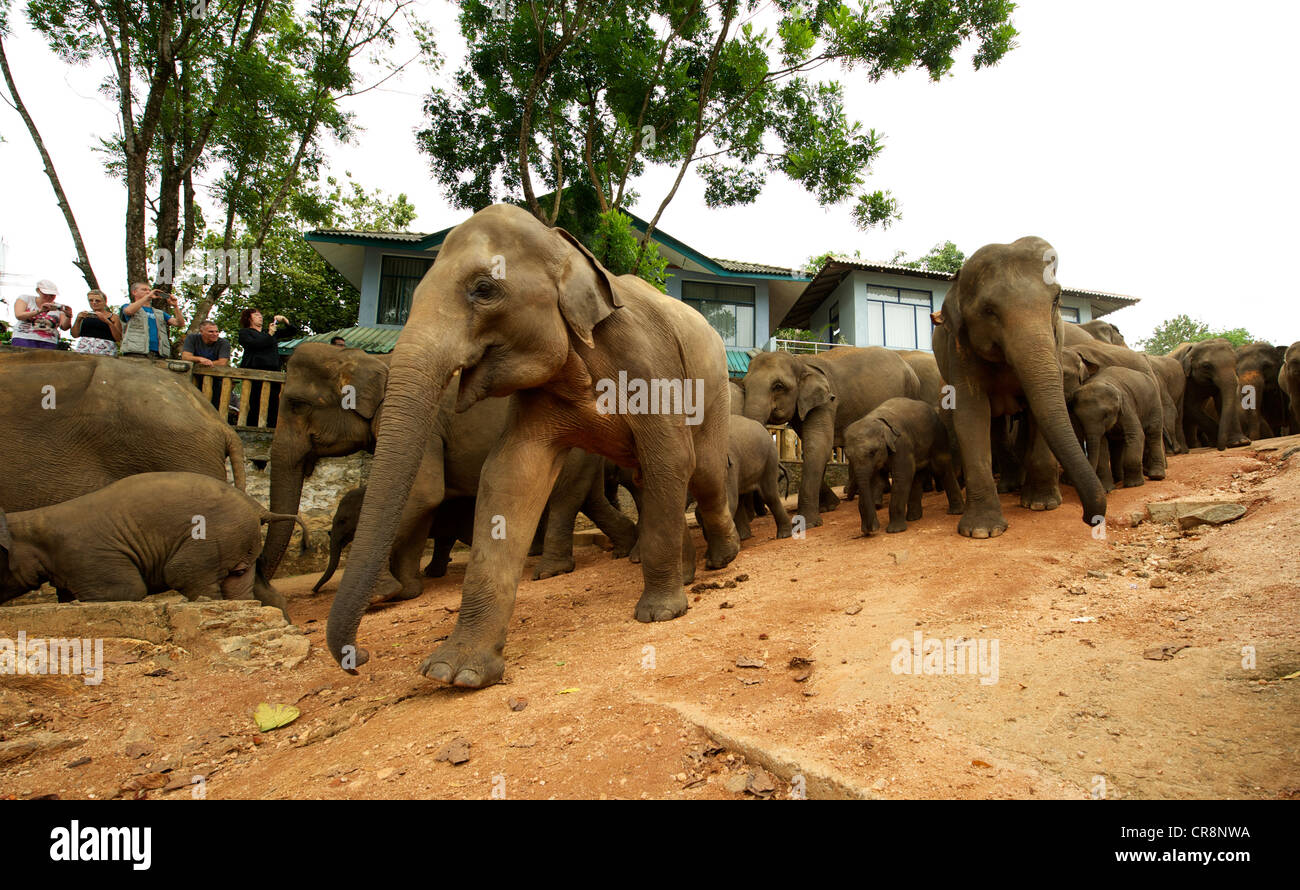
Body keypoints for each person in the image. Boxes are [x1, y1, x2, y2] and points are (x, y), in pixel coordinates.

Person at [238, 309, 298, 427]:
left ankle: (272, 428)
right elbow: (256, 345)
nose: (260, 317)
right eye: (256, 315)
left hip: (273, 372)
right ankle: (252, 428)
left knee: (274, 403)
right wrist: (270, 334)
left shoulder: (268, 332)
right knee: (255, 402)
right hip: (254, 373)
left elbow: (292, 331)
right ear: (249, 318)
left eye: (261, 314)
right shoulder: (245, 333)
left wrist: (285, 321)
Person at [119, 282, 184, 358]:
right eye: (144, 290)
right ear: (134, 292)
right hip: (136, 351)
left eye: (149, 290)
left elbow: (179, 323)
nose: (148, 292)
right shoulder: (127, 306)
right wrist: (148, 296)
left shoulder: (159, 313)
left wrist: (175, 306)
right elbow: (129, 311)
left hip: (158, 353)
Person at [11, 280, 71, 349]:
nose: (48, 297)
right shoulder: (26, 299)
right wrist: (40, 311)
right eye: (45, 294)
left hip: (49, 341)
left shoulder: (58, 307)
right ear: (38, 291)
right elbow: (19, 315)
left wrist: (69, 316)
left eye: (52, 295)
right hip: (23, 337)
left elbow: (64, 327)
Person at [71, 289, 123, 355]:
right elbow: (74, 335)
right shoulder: (84, 315)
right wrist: (78, 319)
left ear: (105, 302)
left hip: (106, 350)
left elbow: (118, 338)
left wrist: (107, 322)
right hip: (84, 349)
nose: (94, 303)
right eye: (91, 300)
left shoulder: (113, 317)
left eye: (97, 301)